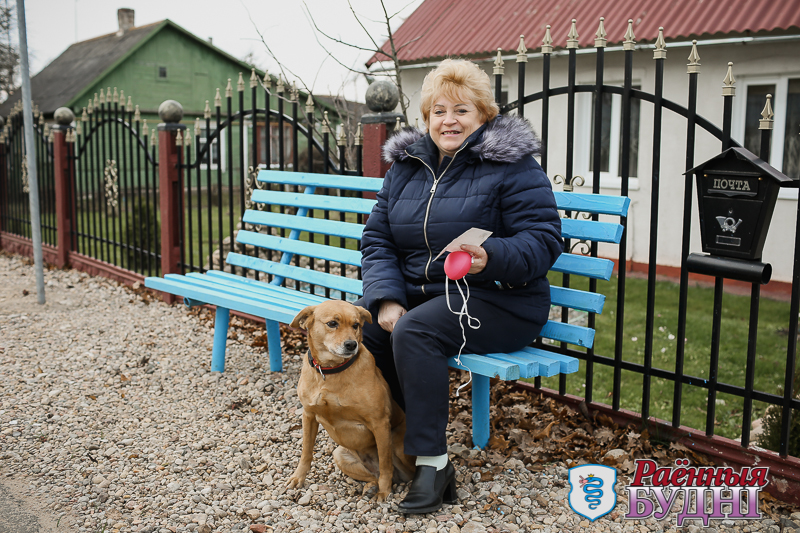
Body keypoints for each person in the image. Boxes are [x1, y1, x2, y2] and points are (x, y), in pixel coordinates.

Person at [357, 59, 563, 514]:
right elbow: (378, 240)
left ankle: (432, 463)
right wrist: (387, 299)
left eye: (462, 110)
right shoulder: (406, 169)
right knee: (364, 330)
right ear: (426, 118)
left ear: (483, 115)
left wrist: (491, 257)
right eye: (439, 111)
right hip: (425, 295)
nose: (449, 120)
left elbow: (544, 240)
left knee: (416, 332)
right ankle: (392, 436)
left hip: (500, 298)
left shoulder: (511, 166)